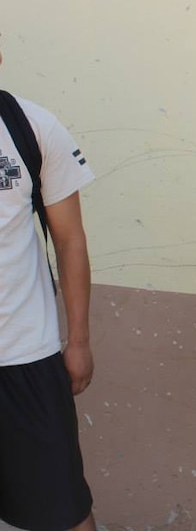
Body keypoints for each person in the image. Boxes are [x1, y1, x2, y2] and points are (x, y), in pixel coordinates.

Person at [0, 53, 96, 530]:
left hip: (26, 357)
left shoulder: (31, 127)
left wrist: (77, 340)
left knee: (66, 513)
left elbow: (70, 239)